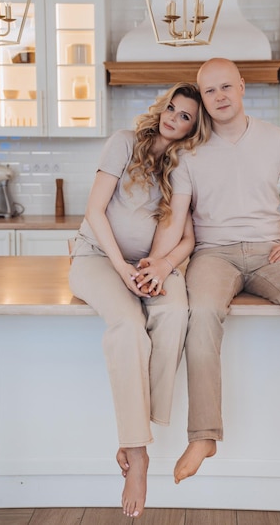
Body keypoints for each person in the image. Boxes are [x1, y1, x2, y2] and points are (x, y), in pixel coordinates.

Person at [140, 58, 280, 485]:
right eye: (209, 91)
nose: (219, 97)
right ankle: (203, 435)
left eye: (226, 87)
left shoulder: (273, 138)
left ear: (242, 87)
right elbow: (176, 218)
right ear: (203, 98)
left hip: (272, 251)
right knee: (202, 314)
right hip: (214, 254)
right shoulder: (188, 151)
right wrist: (159, 261)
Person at [69, 82, 210, 519]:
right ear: (161, 108)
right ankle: (138, 452)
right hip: (98, 257)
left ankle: (137, 424)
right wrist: (122, 269)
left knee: (174, 314)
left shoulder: (185, 164)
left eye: (185, 115)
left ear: (193, 127)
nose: (174, 117)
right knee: (129, 328)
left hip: (149, 268)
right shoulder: (124, 143)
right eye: (172, 107)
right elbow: (95, 211)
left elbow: (189, 238)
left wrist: (161, 267)